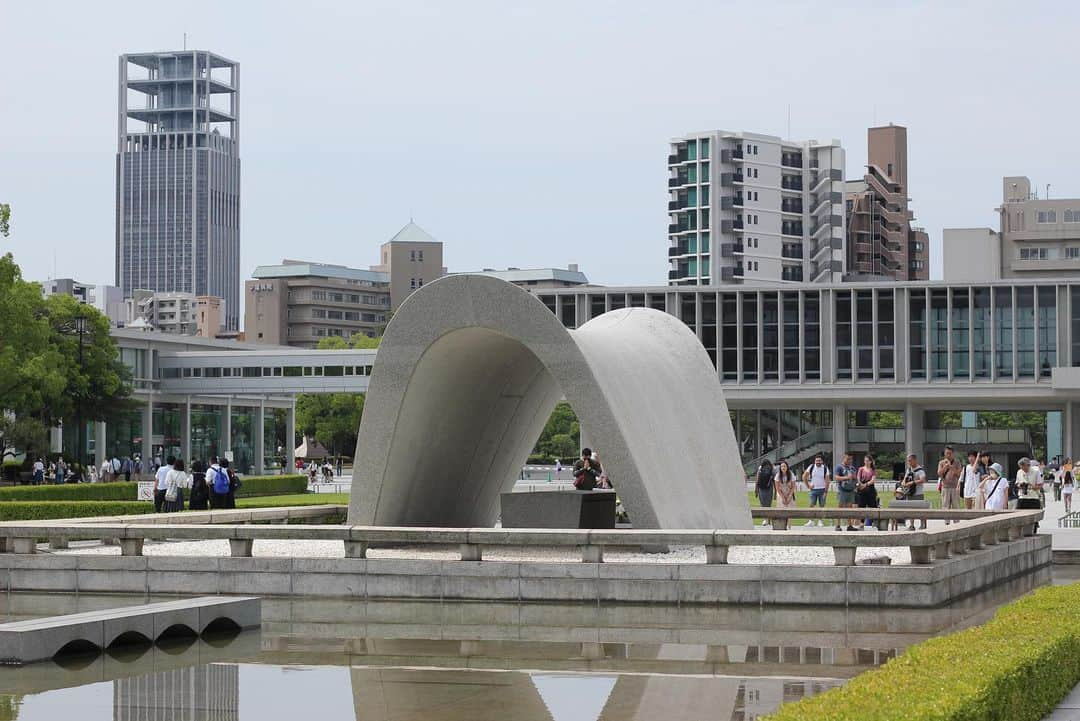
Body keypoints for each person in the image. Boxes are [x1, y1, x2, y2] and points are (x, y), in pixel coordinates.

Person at [896, 453, 926, 530]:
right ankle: (912, 525)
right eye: (908, 461)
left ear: (915, 460)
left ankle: (922, 525)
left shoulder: (920, 470)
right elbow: (905, 479)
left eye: (910, 461)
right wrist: (903, 483)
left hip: (918, 493)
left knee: (920, 510)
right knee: (910, 510)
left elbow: (923, 480)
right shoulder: (908, 470)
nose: (909, 462)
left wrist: (913, 482)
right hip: (910, 493)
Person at [801, 455, 830, 527]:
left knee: (822, 506)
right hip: (813, 490)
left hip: (822, 489)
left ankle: (820, 521)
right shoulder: (811, 467)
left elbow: (827, 480)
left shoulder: (825, 468)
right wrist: (808, 486)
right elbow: (804, 476)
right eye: (816, 461)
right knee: (811, 505)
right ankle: (811, 521)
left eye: (819, 460)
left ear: (822, 461)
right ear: (815, 461)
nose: (818, 462)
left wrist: (826, 492)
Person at [937, 445, 963, 522]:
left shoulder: (957, 462)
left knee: (956, 506)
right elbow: (939, 473)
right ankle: (947, 523)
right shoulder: (941, 462)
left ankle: (956, 523)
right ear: (944, 454)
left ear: (953, 453)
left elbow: (959, 474)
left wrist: (951, 467)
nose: (948, 455)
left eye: (950, 453)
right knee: (945, 506)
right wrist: (945, 467)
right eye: (947, 453)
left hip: (955, 487)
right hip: (945, 487)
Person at [833, 452, 859, 531]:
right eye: (848, 459)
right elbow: (836, 478)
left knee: (849, 508)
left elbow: (856, 479)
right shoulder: (839, 467)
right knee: (840, 507)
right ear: (844, 458)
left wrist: (855, 479)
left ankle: (849, 525)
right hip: (842, 490)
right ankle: (838, 525)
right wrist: (846, 477)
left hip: (851, 490)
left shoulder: (852, 468)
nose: (849, 461)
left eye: (851, 459)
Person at [855, 454, 878, 529]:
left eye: (868, 461)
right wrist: (861, 485)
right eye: (865, 461)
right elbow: (858, 477)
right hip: (862, 489)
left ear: (871, 461)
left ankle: (875, 521)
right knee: (862, 505)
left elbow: (873, 480)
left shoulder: (873, 470)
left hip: (870, 489)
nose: (866, 462)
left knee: (873, 505)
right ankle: (862, 523)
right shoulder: (861, 469)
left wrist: (866, 484)